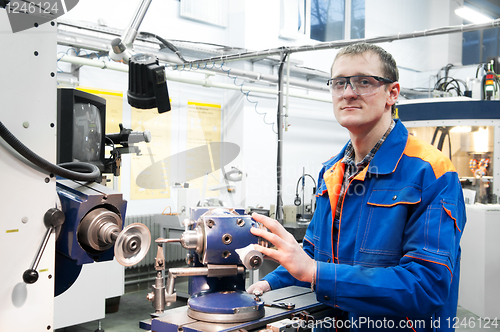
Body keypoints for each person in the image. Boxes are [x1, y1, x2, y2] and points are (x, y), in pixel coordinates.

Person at [249, 42, 466, 331]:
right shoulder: (332, 170)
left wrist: (315, 272)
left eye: (364, 81)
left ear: (392, 93)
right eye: (339, 83)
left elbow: (427, 286)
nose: (349, 92)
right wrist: (267, 283)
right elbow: (314, 255)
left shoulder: (432, 172)